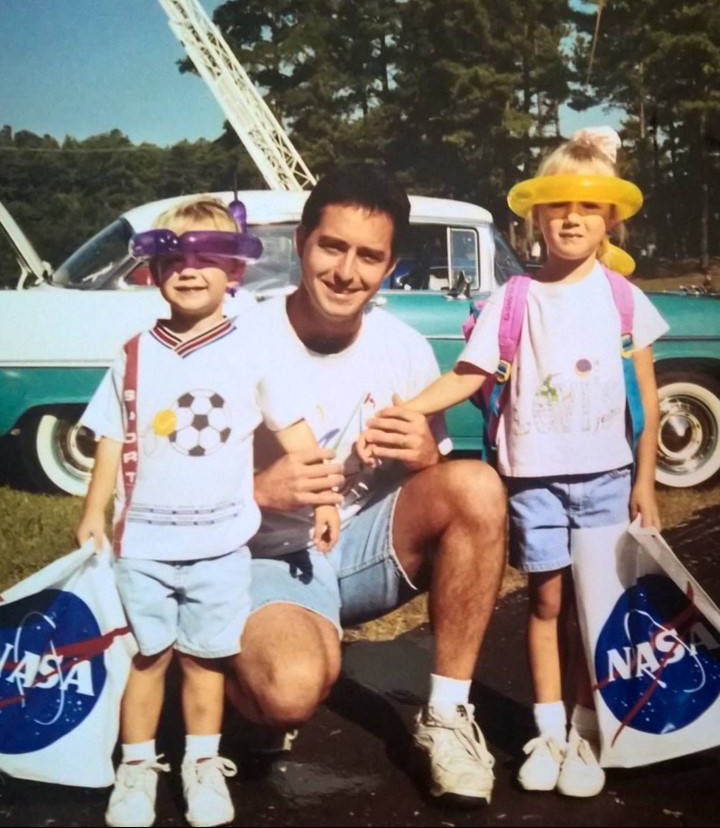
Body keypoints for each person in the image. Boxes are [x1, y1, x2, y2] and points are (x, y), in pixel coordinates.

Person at [357, 129, 669, 798]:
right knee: (546, 602)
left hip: (609, 478)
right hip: (533, 480)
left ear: (609, 219)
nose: (573, 220)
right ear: (537, 217)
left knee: (595, 611)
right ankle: (549, 730)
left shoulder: (622, 299)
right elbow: (469, 375)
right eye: (558, 207)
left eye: (588, 209)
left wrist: (645, 479)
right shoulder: (515, 298)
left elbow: (647, 396)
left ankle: (588, 732)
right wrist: (407, 409)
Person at [225, 164, 507, 806]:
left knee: (478, 487)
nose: (347, 272)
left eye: (368, 256)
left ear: (391, 265)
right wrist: (259, 490)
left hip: (356, 553)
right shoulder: (236, 339)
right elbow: (161, 489)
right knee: (289, 692)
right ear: (301, 241)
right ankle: (238, 675)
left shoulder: (403, 346)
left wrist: (421, 459)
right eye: (332, 246)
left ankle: (447, 716)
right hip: (260, 556)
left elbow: (438, 492)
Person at [75, 195, 339, 828]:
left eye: (208, 257)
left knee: (205, 660)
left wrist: (325, 496)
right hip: (142, 544)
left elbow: (297, 430)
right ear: (152, 269)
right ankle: (136, 768)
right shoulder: (134, 354)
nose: (189, 271)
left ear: (235, 270)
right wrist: (93, 510)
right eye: (173, 258)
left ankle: (201, 764)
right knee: (147, 658)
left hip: (221, 546)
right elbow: (111, 436)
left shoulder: (253, 350)